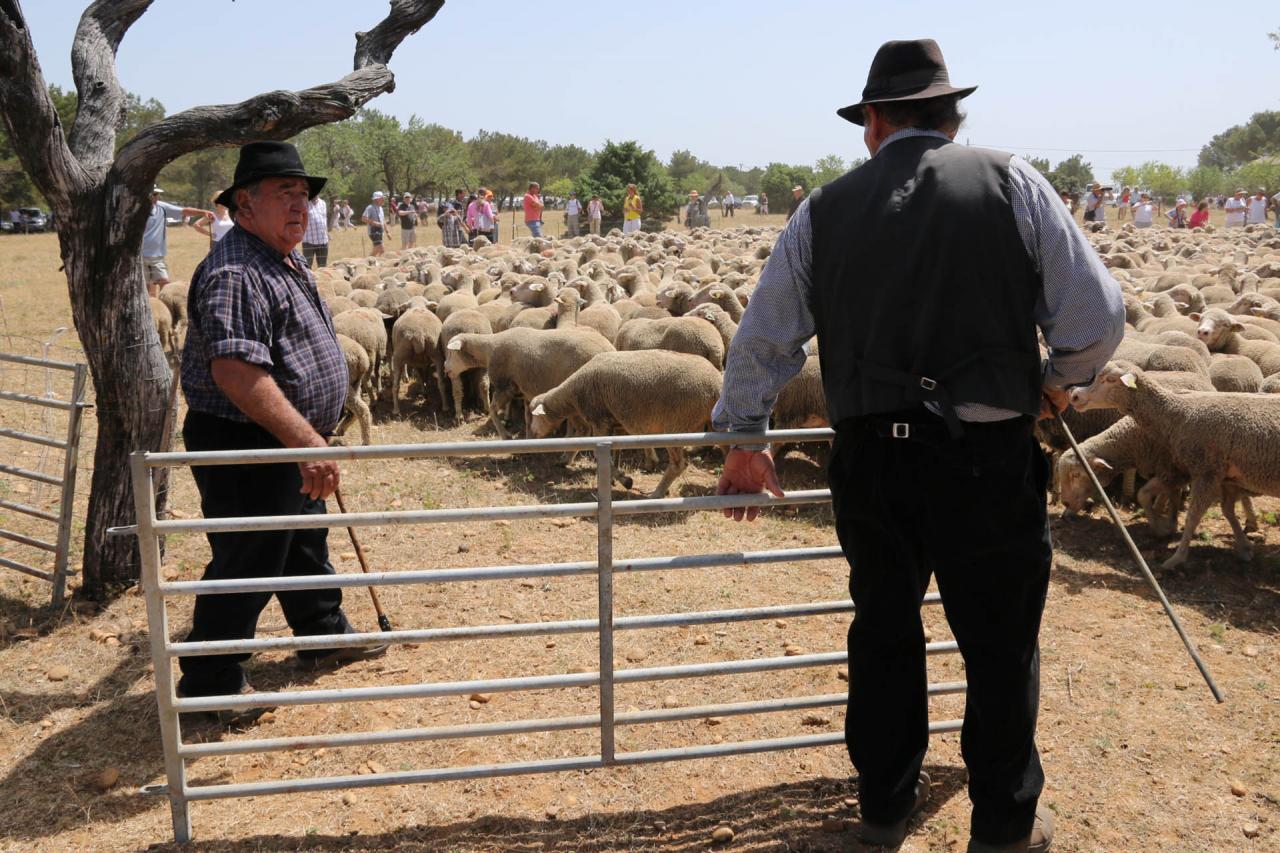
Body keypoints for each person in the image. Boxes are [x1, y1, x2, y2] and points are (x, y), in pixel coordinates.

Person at [712, 39, 1124, 853]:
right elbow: (1097, 315)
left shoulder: (822, 211)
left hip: (874, 462)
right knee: (1001, 644)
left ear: (873, 123)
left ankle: (882, 815)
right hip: (989, 458)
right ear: (951, 116)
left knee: (886, 632)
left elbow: (765, 334)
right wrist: (1056, 381)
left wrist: (746, 435)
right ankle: (1003, 828)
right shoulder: (1012, 182)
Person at [178, 141, 387, 722]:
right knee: (249, 556)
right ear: (244, 205)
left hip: (286, 435)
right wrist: (305, 440)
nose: (300, 206)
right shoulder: (236, 271)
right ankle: (210, 683)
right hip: (246, 438)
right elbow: (237, 372)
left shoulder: (280, 259)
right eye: (283, 193)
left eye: (304, 194)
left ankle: (321, 631)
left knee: (300, 539)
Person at [143, 186, 210, 298]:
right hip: (139, 257)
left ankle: (166, 307)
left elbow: (185, 211)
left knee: (165, 282)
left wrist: (203, 212)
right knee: (145, 288)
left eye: (157, 194)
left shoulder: (162, 207)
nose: (156, 197)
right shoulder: (135, 207)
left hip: (157, 256)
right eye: (154, 194)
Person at [301, 193, 330, 267]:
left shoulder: (323, 203)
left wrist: (327, 233)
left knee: (323, 267)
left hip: (323, 241)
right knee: (306, 267)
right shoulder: (304, 203)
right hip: (308, 241)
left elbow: (324, 219)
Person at [362, 191, 388, 256]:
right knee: (381, 249)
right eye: (381, 198)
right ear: (376, 199)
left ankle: (370, 261)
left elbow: (383, 220)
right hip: (373, 231)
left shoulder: (381, 208)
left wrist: (387, 232)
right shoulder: (370, 207)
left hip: (380, 231)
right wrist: (375, 223)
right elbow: (363, 218)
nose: (383, 199)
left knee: (377, 249)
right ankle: (375, 262)